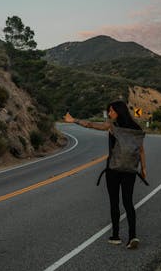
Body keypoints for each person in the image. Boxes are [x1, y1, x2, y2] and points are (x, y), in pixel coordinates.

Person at [63, 101, 147, 249]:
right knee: (128, 202)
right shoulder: (136, 128)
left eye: (111, 111)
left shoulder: (112, 126)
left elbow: (91, 125)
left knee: (114, 202)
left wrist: (74, 120)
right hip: (130, 171)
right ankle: (133, 236)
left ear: (118, 112)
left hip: (113, 169)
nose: (109, 114)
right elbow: (141, 151)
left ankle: (116, 236)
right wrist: (144, 169)